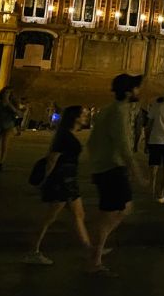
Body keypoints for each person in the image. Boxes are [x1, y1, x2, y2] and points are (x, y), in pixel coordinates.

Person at [86, 73, 148, 275]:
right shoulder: (118, 113)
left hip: (107, 167)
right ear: (129, 91)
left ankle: (97, 246)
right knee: (112, 213)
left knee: (124, 208)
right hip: (111, 168)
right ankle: (95, 258)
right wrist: (137, 173)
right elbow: (124, 146)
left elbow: (92, 142)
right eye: (136, 88)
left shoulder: (109, 110)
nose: (139, 91)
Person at [26, 105, 92, 265]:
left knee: (79, 214)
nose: (86, 117)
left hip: (69, 179)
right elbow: (52, 159)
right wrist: (45, 181)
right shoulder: (64, 136)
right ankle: (32, 251)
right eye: (83, 114)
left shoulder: (68, 134)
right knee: (50, 218)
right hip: (61, 180)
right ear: (74, 117)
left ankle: (91, 249)